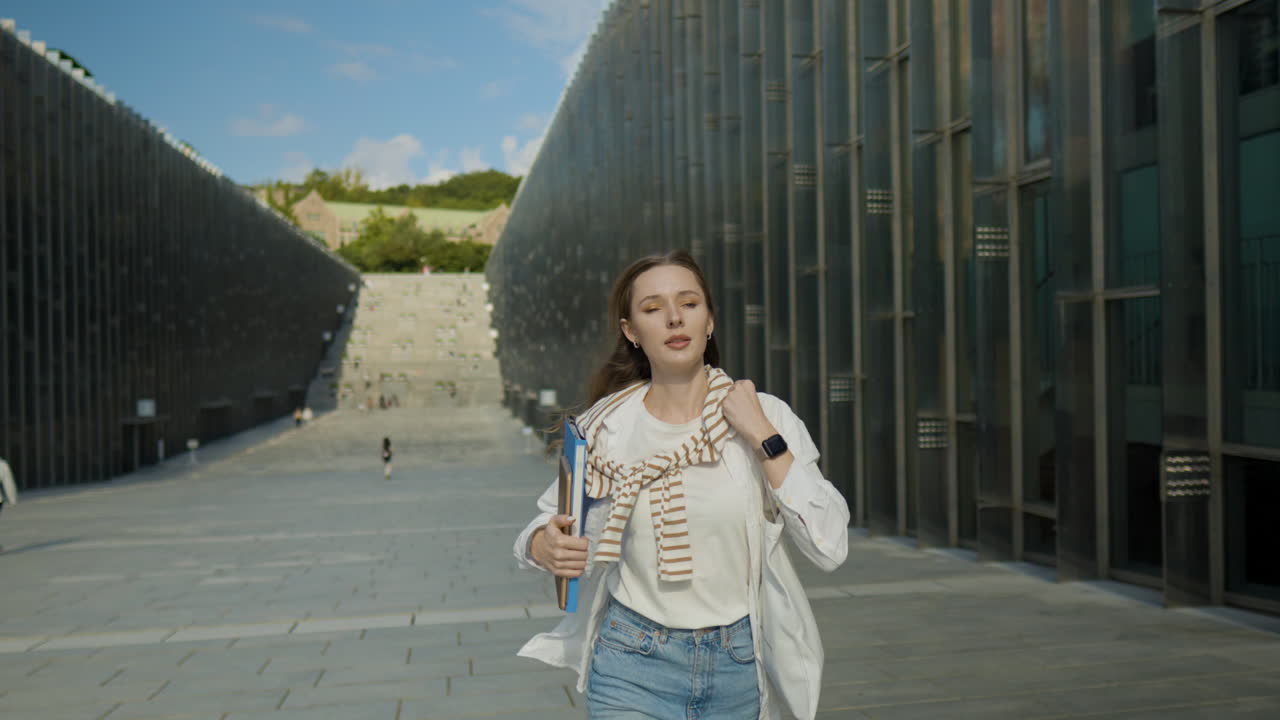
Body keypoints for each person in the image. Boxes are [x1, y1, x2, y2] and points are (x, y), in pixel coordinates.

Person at [513, 250, 849, 719]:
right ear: (632, 331)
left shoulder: (765, 415)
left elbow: (828, 545)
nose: (674, 318)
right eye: (653, 309)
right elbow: (543, 524)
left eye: (689, 303)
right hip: (631, 661)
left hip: (738, 665)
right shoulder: (604, 428)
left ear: (709, 320)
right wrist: (540, 544)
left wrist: (763, 438)